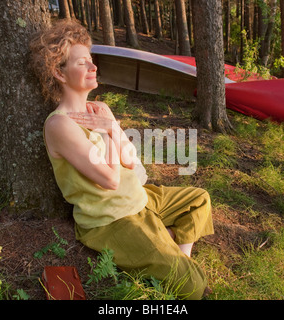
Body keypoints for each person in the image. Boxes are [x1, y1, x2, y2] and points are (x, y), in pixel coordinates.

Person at [29, 19, 214, 300]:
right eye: (82, 63)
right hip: (112, 219)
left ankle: (176, 252)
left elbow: (129, 159)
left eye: (92, 61)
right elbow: (110, 180)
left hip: (140, 198)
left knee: (199, 199)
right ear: (59, 72)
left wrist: (111, 126)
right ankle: (170, 250)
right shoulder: (60, 125)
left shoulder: (100, 108)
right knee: (194, 287)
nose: (93, 67)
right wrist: (105, 132)